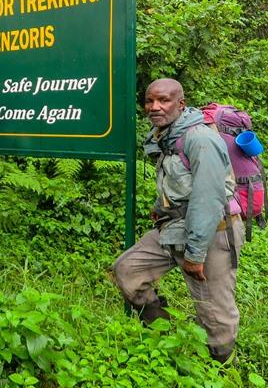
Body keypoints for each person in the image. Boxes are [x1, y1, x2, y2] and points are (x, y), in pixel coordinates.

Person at [113, 78, 244, 363]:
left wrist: (195, 255)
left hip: (213, 233)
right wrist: (161, 207)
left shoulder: (199, 139)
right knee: (127, 271)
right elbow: (178, 182)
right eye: (150, 101)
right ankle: (163, 332)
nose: (155, 107)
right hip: (174, 228)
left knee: (215, 314)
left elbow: (209, 200)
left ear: (180, 104)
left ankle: (219, 367)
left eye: (164, 100)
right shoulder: (167, 134)